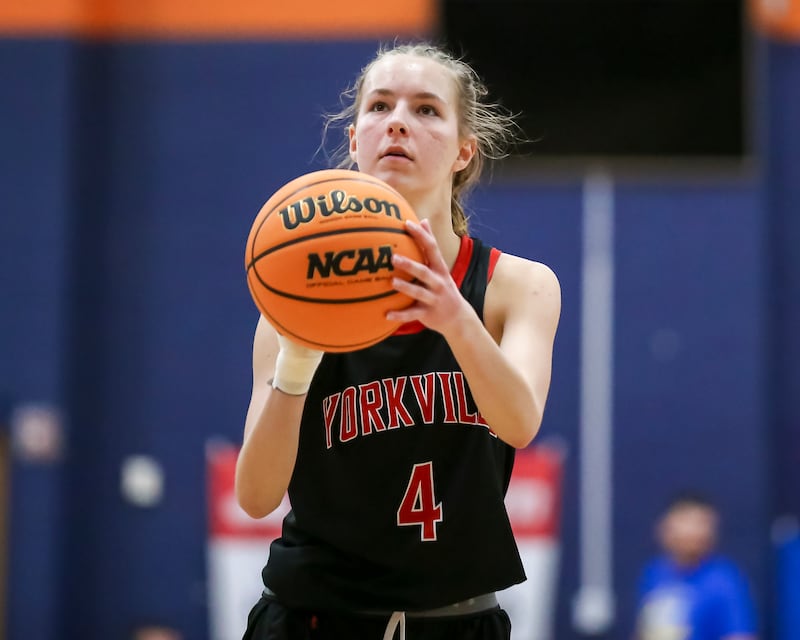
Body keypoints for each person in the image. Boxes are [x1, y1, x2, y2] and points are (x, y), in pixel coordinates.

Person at [235, 40, 562, 640]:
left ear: (466, 150)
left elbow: (519, 422)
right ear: (355, 139)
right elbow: (256, 497)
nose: (398, 123)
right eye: (380, 106)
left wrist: (454, 317)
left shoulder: (517, 286)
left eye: (426, 110)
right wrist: (298, 364)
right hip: (313, 618)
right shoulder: (296, 297)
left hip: (456, 619)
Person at [634, 491, 758, 640]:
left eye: (701, 523)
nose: (692, 531)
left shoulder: (724, 581)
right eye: (685, 521)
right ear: (665, 527)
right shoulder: (654, 573)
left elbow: (740, 635)